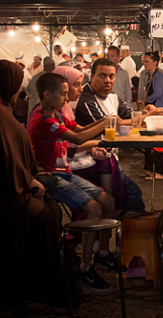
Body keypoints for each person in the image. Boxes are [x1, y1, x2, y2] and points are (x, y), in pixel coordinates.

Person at [29, 72, 121, 292]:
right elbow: (78, 138)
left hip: (65, 171)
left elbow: (79, 128)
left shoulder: (58, 114)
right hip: (51, 176)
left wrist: (107, 119)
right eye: (62, 94)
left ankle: (103, 254)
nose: (66, 98)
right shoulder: (45, 121)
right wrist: (107, 123)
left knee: (108, 201)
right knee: (93, 208)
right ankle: (84, 268)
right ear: (46, 94)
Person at [0, 60, 68, 309]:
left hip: (19, 186)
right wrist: (28, 181)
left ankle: (43, 287)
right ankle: (35, 290)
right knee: (44, 218)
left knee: (51, 211)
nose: (20, 90)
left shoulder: (6, 111)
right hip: (9, 195)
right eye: (17, 84)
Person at [75, 58, 162, 199]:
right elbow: (110, 126)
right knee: (129, 195)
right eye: (102, 76)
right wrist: (144, 117)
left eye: (111, 76)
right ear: (92, 77)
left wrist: (145, 112)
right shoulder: (86, 100)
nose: (108, 80)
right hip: (91, 162)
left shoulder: (113, 97)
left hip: (110, 158)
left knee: (129, 195)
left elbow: (128, 117)